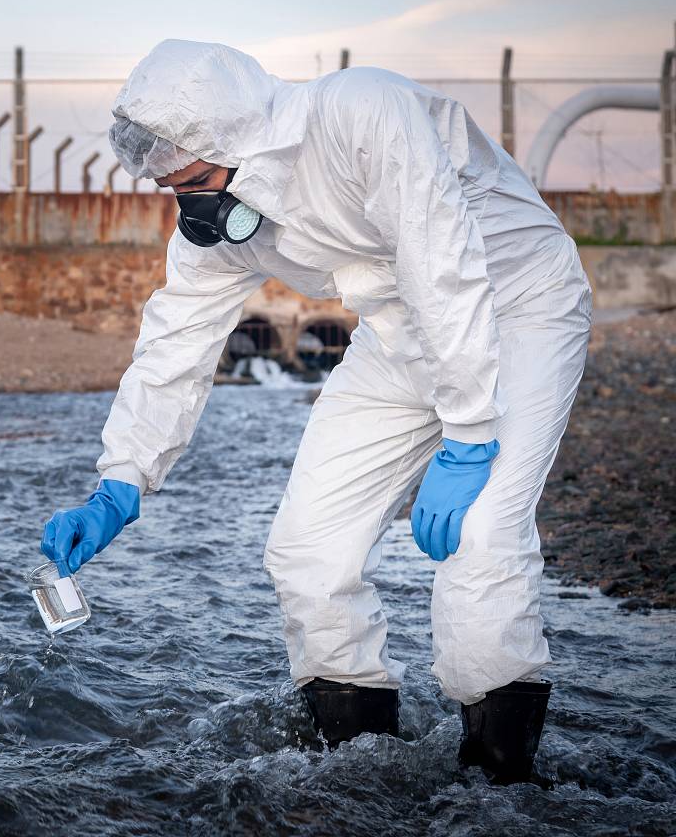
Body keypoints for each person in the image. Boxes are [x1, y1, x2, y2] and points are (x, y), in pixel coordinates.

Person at [39, 39, 591, 785]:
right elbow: (176, 341)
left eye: (195, 179)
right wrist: (122, 481)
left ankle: (501, 780)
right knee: (305, 552)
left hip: (518, 305)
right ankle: (360, 765)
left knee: (483, 537)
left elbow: (442, 263)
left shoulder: (361, 112)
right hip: (398, 335)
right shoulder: (224, 219)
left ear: (237, 137)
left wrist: (467, 433)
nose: (191, 205)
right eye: (172, 191)